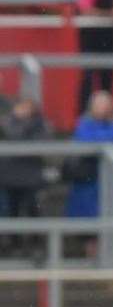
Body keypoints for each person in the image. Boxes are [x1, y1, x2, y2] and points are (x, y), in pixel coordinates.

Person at [64, 90, 113, 256]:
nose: (101, 109)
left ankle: (103, 253)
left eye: (104, 105)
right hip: (86, 178)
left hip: (106, 180)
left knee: (106, 214)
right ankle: (89, 251)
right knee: (86, 217)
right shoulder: (84, 123)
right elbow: (85, 141)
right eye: (98, 105)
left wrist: (99, 141)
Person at [0, 97, 55, 253]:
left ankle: (36, 246)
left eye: (26, 107)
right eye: (20, 107)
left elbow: (43, 144)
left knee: (34, 212)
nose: (22, 110)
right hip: (9, 176)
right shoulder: (7, 123)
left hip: (32, 176)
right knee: (11, 212)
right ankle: (12, 245)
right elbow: (14, 137)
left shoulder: (41, 124)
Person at [73, 0, 113, 117]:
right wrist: (108, 14)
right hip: (89, 43)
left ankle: (107, 121)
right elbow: (86, 10)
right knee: (87, 82)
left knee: (107, 84)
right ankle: (82, 119)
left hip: (109, 43)